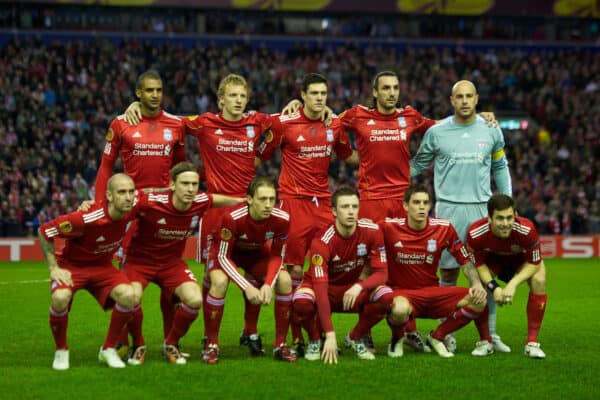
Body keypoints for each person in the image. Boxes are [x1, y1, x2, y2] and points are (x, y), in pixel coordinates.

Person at [410, 79, 512, 353]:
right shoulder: (437, 131)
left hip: (481, 209)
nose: (465, 101)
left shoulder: (491, 129)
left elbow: (500, 165)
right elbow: (418, 164)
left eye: (469, 96)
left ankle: (489, 335)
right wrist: (385, 179)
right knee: (449, 271)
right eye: (459, 97)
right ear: (451, 100)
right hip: (448, 210)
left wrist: (507, 201)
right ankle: (446, 333)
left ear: (477, 99)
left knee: (485, 273)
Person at [257, 73, 356, 353]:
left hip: (323, 204)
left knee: (323, 269)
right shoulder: (284, 123)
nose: (319, 98)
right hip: (293, 203)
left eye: (323, 93)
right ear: (302, 95)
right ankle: (298, 337)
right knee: (294, 272)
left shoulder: (334, 124)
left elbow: (348, 154)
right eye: (314, 93)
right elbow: (261, 152)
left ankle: (318, 332)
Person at [94, 69, 187, 354]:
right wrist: (102, 206)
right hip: (131, 209)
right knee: (130, 279)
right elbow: (105, 167)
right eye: (149, 90)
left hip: (166, 210)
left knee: (170, 282)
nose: (155, 95)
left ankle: (171, 341)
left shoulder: (176, 124)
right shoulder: (121, 124)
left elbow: (181, 168)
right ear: (138, 93)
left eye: (159, 90)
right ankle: (134, 341)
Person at [118, 162, 243, 365]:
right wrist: (91, 205)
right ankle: (138, 344)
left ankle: (171, 344)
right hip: (139, 262)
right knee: (131, 297)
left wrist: (244, 200)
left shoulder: (200, 201)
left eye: (194, 184)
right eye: (185, 183)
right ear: (172, 185)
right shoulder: (149, 202)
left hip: (171, 264)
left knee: (194, 300)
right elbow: (118, 210)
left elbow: (216, 199)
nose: (191, 189)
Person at [38, 173, 137, 370]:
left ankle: (108, 349)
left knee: (129, 296)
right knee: (59, 298)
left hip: (102, 267)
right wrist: (54, 267)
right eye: (122, 192)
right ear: (109, 195)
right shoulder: (85, 218)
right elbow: (45, 231)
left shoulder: (134, 207)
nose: (128, 197)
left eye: (131, 192)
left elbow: (154, 193)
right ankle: (61, 350)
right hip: (72, 267)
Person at [378, 185, 490, 358]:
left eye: (425, 203)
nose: (422, 207)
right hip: (402, 294)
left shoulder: (443, 228)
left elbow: (465, 260)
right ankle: (397, 339)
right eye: (416, 202)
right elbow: (365, 234)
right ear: (406, 206)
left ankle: (437, 336)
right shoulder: (388, 227)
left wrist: (476, 283)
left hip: (432, 293)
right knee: (399, 310)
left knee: (479, 300)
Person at [291, 187, 392, 364]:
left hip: (351, 289)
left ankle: (355, 337)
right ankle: (315, 340)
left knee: (386, 296)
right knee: (301, 301)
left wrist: (360, 285)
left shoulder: (372, 231)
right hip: (323, 288)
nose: (351, 211)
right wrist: (330, 334)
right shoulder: (322, 240)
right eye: (345, 207)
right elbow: (320, 289)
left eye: (354, 206)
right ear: (334, 211)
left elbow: (382, 274)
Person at [202, 177, 296, 364]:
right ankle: (211, 343)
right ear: (250, 199)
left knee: (285, 281)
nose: (268, 204)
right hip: (224, 252)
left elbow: (277, 256)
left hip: (255, 252)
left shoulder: (282, 219)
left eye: (272, 199)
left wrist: (268, 284)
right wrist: (247, 286)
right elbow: (223, 256)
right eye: (262, 199)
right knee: (219, 282)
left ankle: (280, 344)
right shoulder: (232, 218)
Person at [466, 194, 547, 359]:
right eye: (500, 218)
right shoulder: (475, 233)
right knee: (478, 285)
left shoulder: (527, 229)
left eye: (510, 217)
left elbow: (535, 263)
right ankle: (485, 341)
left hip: (520, 262)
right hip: (493, 261)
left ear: (515, 215)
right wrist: (493, 287)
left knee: (539, 280)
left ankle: (532, 343)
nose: (505, 223)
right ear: (489, 218)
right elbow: (478, 265)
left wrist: (513, 284)